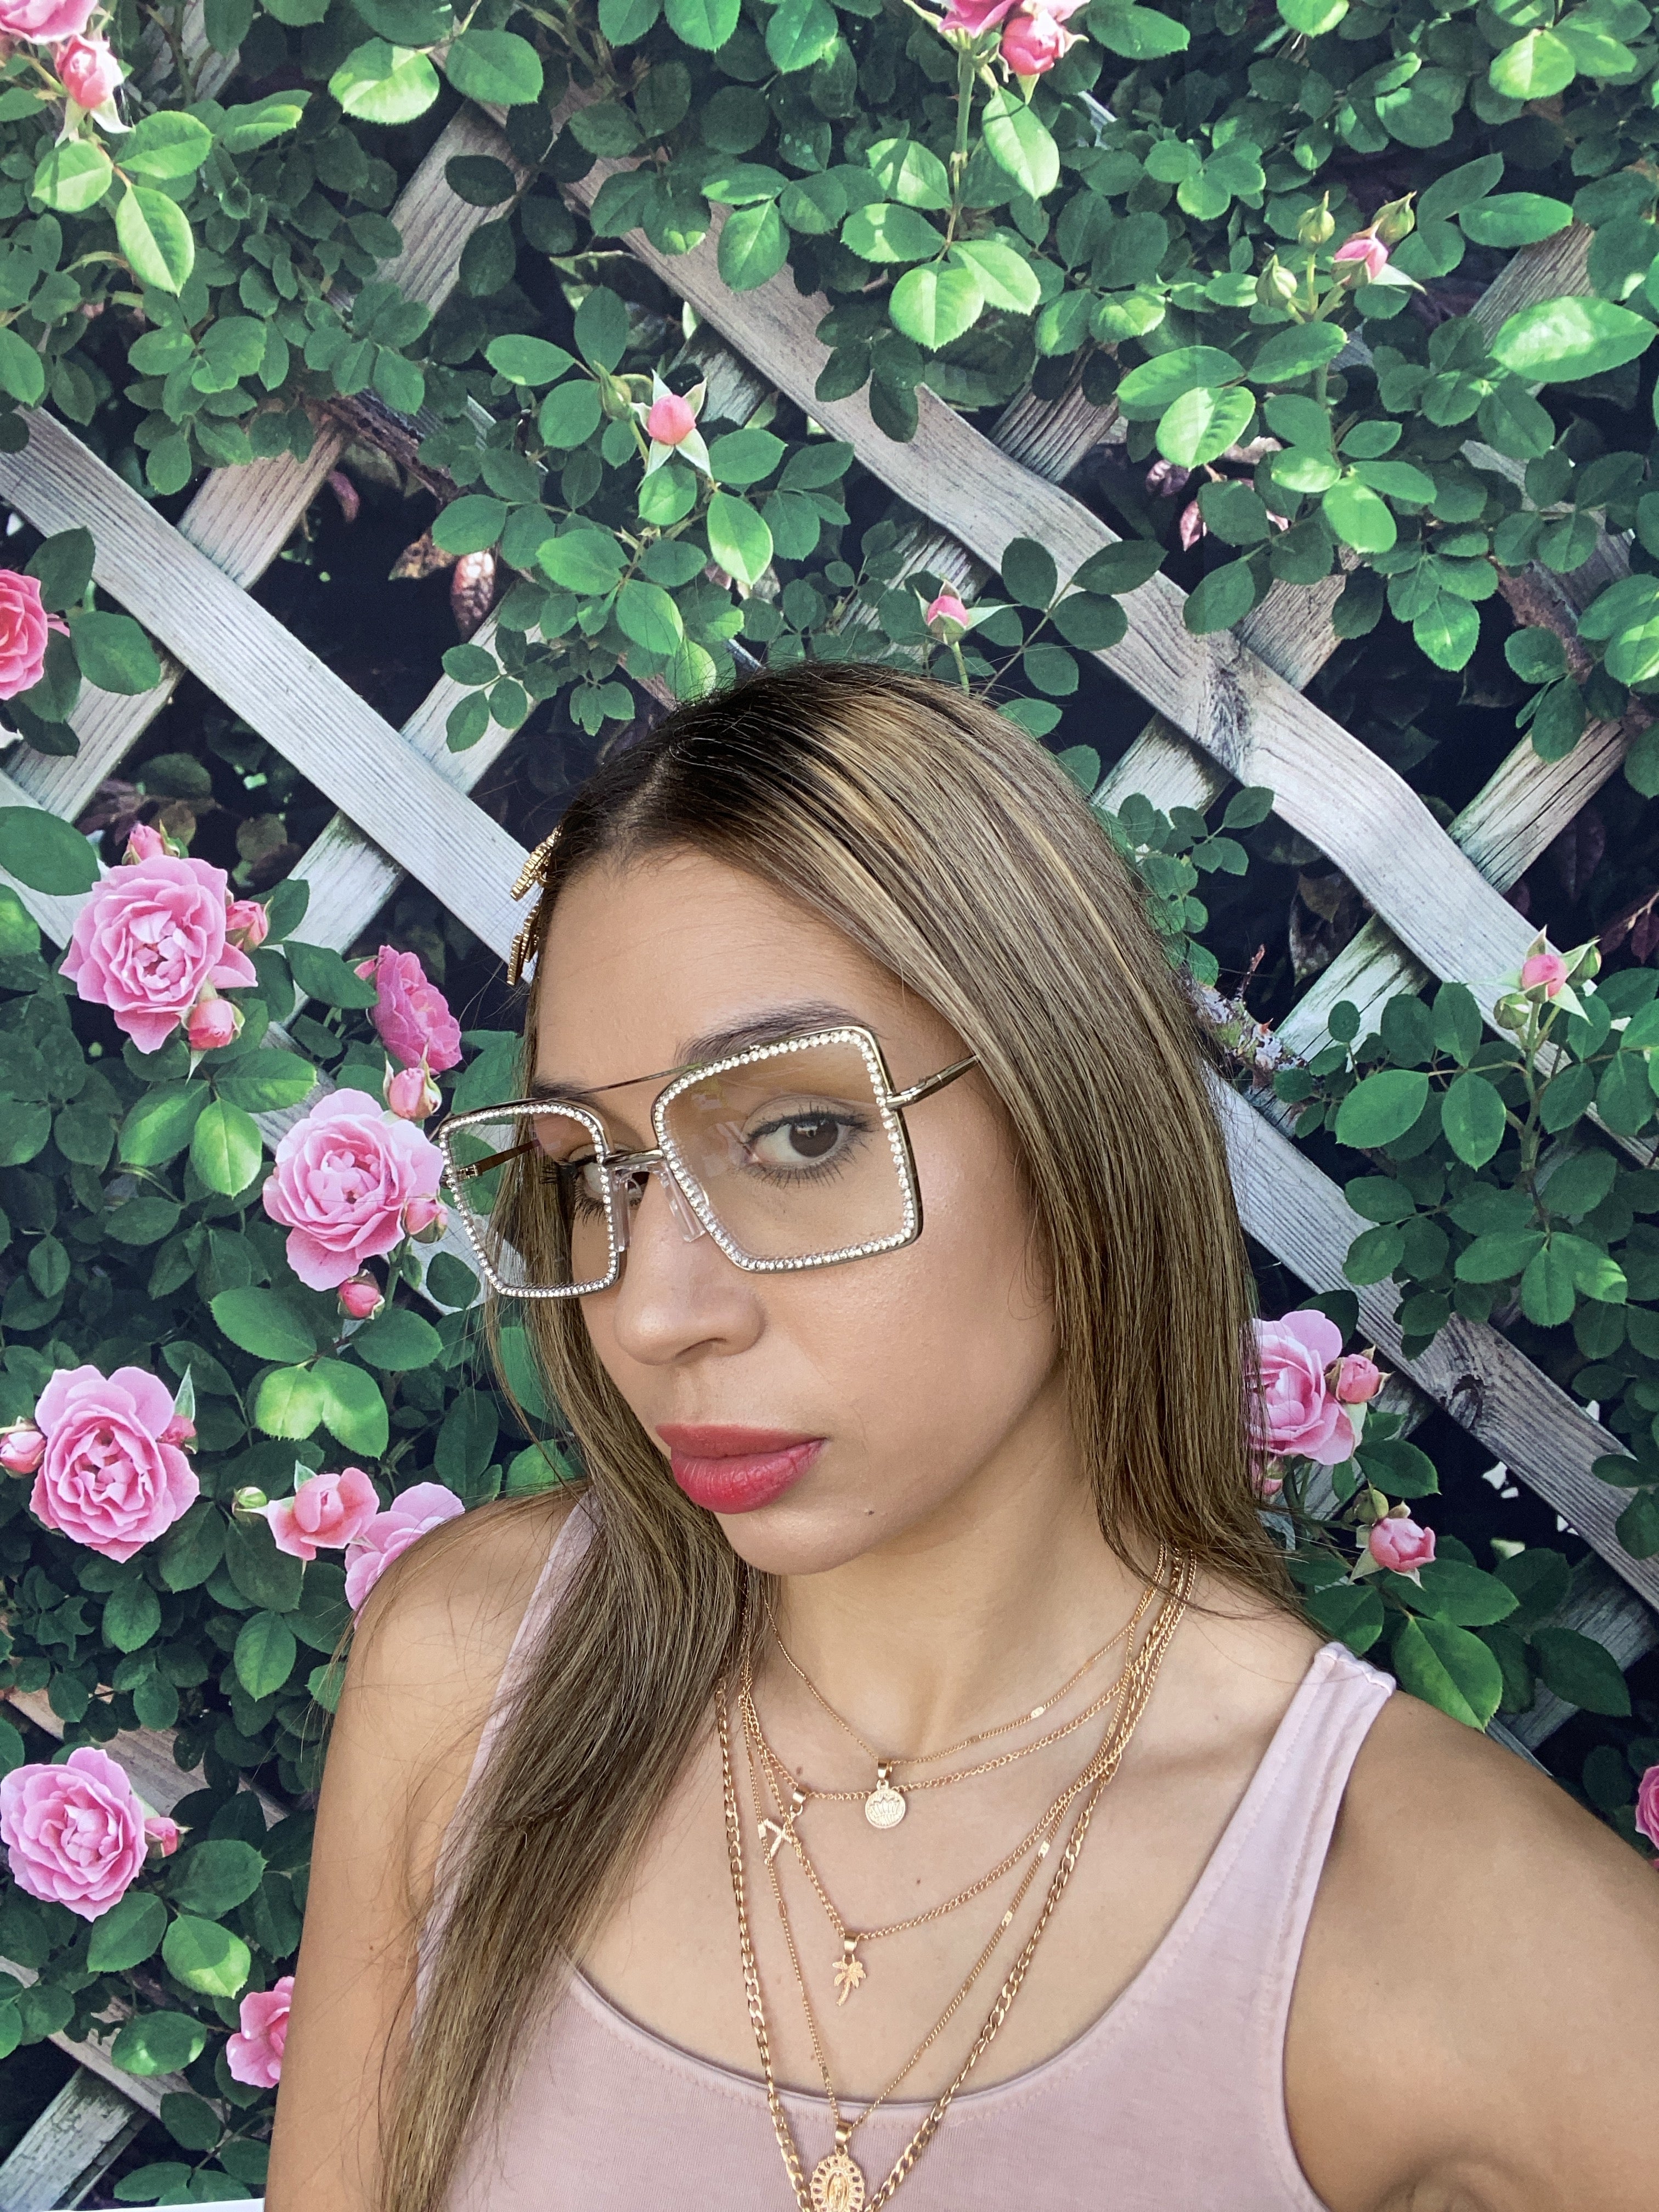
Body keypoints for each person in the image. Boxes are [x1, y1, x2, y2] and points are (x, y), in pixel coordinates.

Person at [269, 665, 1659, 2212]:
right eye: (593, 1174)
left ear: (1072, 1117)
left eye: (800, 1135)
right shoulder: (473, 1675)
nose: (655, 1312)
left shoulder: (1428, 1920)